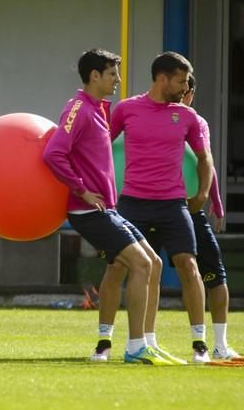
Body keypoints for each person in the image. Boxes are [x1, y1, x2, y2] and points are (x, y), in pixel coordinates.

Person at [44, 48, 170, 365]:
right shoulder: (78, 108)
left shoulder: (98, 109)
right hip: (89, 211)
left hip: (107, 209)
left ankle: (141, 343)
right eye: (112, 73)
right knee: (141, 265)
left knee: (152, 263)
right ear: (95, 76)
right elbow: (53, 154)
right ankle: (135, 346)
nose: (118, 79)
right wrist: (82, 191)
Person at [101, 52, 215, 364]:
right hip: (132, 202)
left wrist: (203, 194)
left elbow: (205, 158)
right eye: (180, 81)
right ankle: (103, 341)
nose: (185, 87)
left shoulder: (187, 117)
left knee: (189, 267)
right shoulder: (126, 109)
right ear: (162, 78)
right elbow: (100, 145)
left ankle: (199, 345)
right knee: (115, 267)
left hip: (172, 203)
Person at [149, 74, 240, 359]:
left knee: (214, 275)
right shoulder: (150, 116)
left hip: (190, 210)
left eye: (186, 92)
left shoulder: (196, 122)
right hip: (152, 205)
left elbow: (206, 162)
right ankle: (142, 341)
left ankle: (220, 344)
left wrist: (215, 202)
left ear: (191, 95)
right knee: (144, 272)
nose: (181, 96)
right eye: (178, 89)